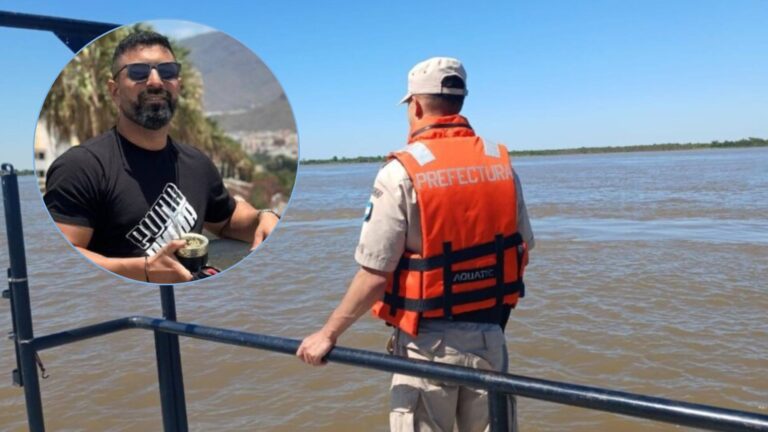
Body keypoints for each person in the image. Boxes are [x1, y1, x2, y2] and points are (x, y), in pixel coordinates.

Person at [297, 57, 534, 431]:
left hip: (427, 347)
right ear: (461, 102)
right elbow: (522, 251)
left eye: (409, 106)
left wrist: (327, 335)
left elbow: (375, 273)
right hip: (491, 338)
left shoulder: (401, 172)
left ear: (417, 105)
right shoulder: (501, 165)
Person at [44, 31, 279, 284]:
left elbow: (227, 219)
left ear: (178, 84)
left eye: (167, 71)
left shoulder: (196, 162)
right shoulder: (82, 167)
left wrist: (263, 217)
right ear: (114, 91)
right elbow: (62, 260)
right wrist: (143, 269)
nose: (155, 81)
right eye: (138, 72)